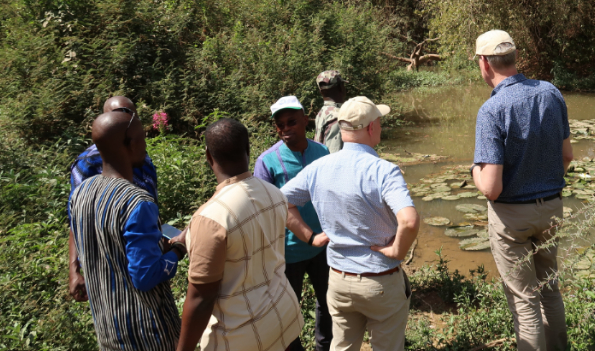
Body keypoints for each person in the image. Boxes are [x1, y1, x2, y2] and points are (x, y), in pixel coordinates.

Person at [283, 96, 419, 351]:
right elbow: (409, 221)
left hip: (339, 281)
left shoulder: (318, 168)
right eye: (378, 121)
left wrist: (309, 236)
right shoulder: (383, 171)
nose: (380, 125)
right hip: (380, 280)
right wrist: (396, 251)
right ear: (370, 128)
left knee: (342, 345)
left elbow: (281, 202)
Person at [470, 30, 575, 351]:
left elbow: (491, 187)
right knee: (551, 291)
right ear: (515, 58)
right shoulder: (551, 93)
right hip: (552, 208)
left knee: (525, 301)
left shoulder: (492, 110)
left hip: (512, 218)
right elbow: (566, 157)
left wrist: (475, 170)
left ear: (485, 64)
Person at [177, 118, 304, 351]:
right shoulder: (274, 193)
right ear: (247, 150)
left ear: (208, 156)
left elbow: (201, 300)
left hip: (240, 336)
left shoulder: (211, 219)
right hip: (282, 315)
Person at [69, 110, 186, 351]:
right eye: (142, 137)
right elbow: (145, 276)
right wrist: (179, 249)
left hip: (108, 329)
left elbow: (109, 248)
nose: (146, 143)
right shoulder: (137, 202)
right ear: (130, 144)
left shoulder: (81, 193)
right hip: (148, 334)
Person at [253, 95, 333, 351]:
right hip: (286, 253)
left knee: (328, 302)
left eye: (291, 122)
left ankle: (325, 346)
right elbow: (264, 208)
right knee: (287, 311)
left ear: (305, 121)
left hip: (322, 246)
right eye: (280, 125)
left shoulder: (322, 152)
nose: (285, 129)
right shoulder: (267, 162)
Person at [67, 96, 160, 302]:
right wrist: (74, 269)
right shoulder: (87, 164)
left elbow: (150, 212)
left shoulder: (144, 160)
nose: (125, 121)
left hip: (144, 260)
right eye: (116, 116)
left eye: (129, 116)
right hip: (108, 270)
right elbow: (78, 219)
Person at [314, 70, 347, 153]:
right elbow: (334, 153)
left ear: (321, 91)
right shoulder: (337, 115)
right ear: (340, 87)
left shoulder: (322, 112)